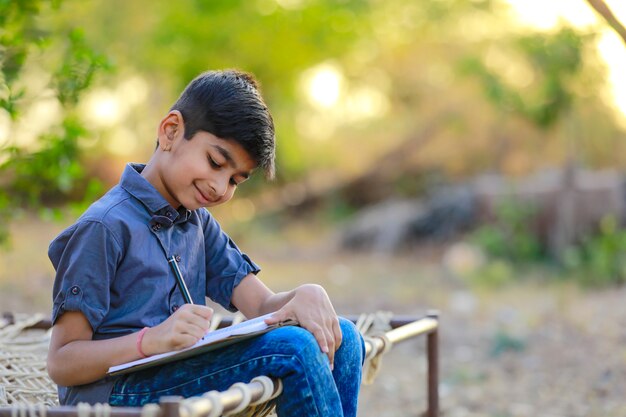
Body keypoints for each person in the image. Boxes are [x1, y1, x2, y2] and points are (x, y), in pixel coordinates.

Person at [47, 69, 365, 417]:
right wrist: (150, 341)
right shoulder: (105, 226)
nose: (219, 187)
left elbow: (262, 307)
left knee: (344, 337)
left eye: (235, 180)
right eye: (215, 162)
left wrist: (306, 294)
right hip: (114, 392)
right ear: (170, 131)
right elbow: (63, 362)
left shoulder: (197, 222)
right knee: (294, 349)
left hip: (176, 373)